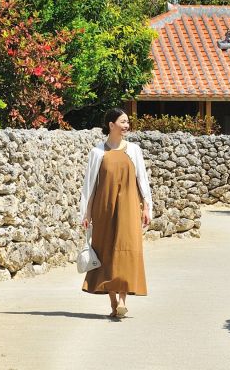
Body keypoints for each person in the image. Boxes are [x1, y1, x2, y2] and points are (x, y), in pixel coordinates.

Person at [79, 109, 152, 318]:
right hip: (104, 210)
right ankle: (113, 304)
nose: (126, 125)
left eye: (128, 122)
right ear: (111, 125)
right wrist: (86, 214)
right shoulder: (97, 153)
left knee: (127, 250)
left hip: (129, 208)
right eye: (122, 122)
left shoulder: (134, 150)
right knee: (107, 253)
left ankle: (122, 300)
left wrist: (146, 207)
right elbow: (90, 187)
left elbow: (142, 181)